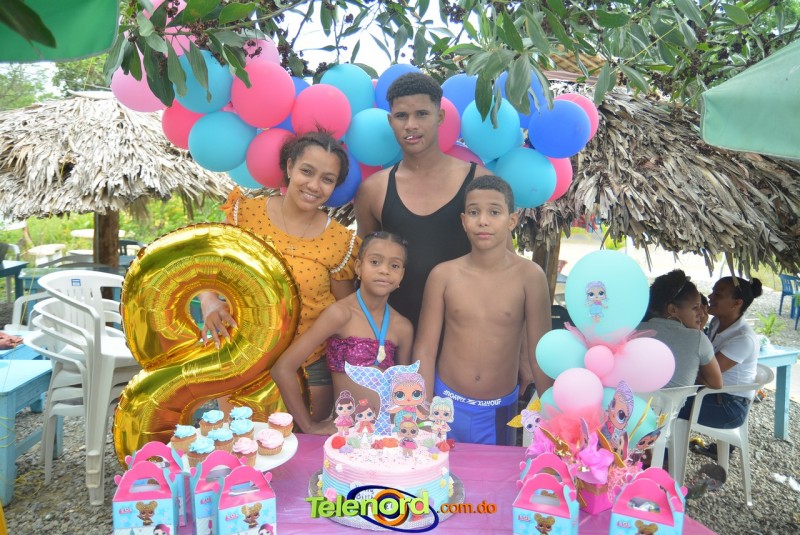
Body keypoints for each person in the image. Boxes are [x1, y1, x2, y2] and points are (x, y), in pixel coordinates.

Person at [353, 72, 540, 396]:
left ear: (439, 117)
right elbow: (363, 269)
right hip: (395, 345)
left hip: (465, 349)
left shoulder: (478, 182)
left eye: (421, 114)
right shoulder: (374, 190)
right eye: (401, 116)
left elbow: (508, 270)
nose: (411, 125)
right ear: (390, 121)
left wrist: (523, 352)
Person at [199, 130, 360, 422]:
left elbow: (345, 310)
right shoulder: (245, 215)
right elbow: (206, 267)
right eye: (307, 171)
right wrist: (209, 300)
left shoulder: (340, 242)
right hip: (242, 358)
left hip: (310, 369)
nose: (314, 185)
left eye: (327, 179)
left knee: (301, 447)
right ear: (289, 167)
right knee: (240, 442)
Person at [412, 175, 551, 445]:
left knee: (496, 473)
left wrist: (557, 419)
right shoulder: (443, 275)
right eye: (474, 212)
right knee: (440, 472)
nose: (483, 221)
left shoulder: (530, 277)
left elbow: (540, 357)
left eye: (494, 212)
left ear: (512, 219)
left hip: (499, 411)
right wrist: (422, 410)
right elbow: (425, 349)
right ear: (464, 220)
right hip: (444, 405)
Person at [271, 231, 413, 434]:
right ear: (358, 267)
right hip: (346, 437)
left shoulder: (403, 327)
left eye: (395, 266)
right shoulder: (340, 314)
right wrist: (309, 426)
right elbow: (282, 368)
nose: (384, 270)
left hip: (386, 435)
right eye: (375, 262)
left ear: (402, 275)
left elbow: (404, 388)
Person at [679, 276, 763, 429]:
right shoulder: (716, 322)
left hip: (729, 405)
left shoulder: (743, 339)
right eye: (713, 292)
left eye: (718, 294)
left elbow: (706, 374)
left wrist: (697, 331)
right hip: (710, 392)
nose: (710, 297)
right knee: (665, 395)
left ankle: (659, 445)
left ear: (737, 303)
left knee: (666, 403)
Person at [639, 270, 722, 389]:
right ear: (672, 310)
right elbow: (716, 383)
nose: (702, 313)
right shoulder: (698, 339)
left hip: (627, 400)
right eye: (695, 307)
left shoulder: (634, 329)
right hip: (672, 402)